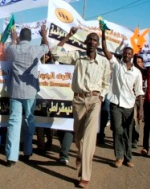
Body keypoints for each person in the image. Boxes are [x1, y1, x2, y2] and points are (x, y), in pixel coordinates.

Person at [52, 27, 110, 188]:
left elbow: (106, 82)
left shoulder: (103, 62)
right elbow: (55, 53)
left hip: (94, 101)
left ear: (98, 44)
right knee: (79, 139)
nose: (92, 42)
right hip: (78, 101)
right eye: (89, 40)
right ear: (85, 43)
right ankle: (80, 153)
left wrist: (101, 95)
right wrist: (68, 35)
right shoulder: (77, 56)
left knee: (90, 138)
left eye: (95, 40)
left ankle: (85, 176)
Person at [4, 25, 49, 167]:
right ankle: (28, 151)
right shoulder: (35, 49)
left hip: (15, 92)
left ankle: (11, 156)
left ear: (20, 37)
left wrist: (13, 38)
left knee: (14, 123)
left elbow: (9, 47)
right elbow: (47, 47)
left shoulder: (13, 48)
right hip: (30, 92)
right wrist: (44, 35)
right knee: (29, 120)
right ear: (30, 38)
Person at [101, 27, 144, 169]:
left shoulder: (137, 72)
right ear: (122, 54)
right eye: (125, 53)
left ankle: (128, 157)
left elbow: (138, 92)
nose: (126, 55)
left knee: (128, 133)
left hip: (130, 106)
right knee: (118, 130)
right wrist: (103, 34)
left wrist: (140, 109)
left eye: (129, 53)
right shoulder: (116, 64)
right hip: (115, 103)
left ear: (132, 55)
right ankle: (118, 157)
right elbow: (106, 50)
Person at [131, 54, 147, 148]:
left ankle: (135, 138)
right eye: (137, 62)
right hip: (132, 99)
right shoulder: (132, 71)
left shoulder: (146, 73)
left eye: (140, 62)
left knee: (139, 120)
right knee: (133, 120)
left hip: (143, 101)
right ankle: (131, 138)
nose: (138, 64)